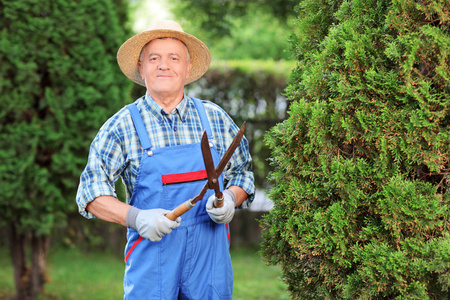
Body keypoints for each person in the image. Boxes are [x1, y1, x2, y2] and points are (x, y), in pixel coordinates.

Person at [76, 20, 255, 299]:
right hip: (152, 264)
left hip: (209, 267)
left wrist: (231, 197)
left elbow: (243, 172)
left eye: (174, 57)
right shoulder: (122, 126)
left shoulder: (215, 118)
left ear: (187, 67)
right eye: (154, 58)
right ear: (141, 67)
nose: (164, 65)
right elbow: (90, 193)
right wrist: (136, 218)